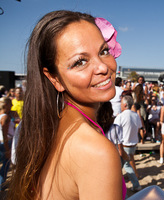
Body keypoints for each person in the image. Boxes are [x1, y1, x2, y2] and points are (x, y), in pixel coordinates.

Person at [9, 10, 125, 199]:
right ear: (54, 79)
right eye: (80, 62)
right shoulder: (96, 151)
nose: (103, 67)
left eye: (104, 51)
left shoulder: (49, 127)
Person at [97, 101, 142, 192]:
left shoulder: (94, 128)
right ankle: (136, 184)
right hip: (116, 154)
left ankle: (136, 184)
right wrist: (125, 156)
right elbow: (120, 150)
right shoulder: (115, 128)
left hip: (100, 160)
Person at [115, 95, 142, 179]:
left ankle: (134, 181)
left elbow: (115, 131)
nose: (120, 105)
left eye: (121, 103)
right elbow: (139, 127)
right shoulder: (136, 115)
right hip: (133, 143)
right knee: (128, 162)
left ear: (125, 105)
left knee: (122, 165)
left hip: (124, 144)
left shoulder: (120, 116)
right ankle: (134, 178)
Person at [0, 97, 15, 190]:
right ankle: (1, 186)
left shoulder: (3, 115)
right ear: (6, 105)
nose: (12, 105)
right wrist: (7, 149)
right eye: (10, 103)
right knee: (5, 166)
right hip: (5, 144)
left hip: (3, 143)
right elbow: (4, 134)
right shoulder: (5, 117)